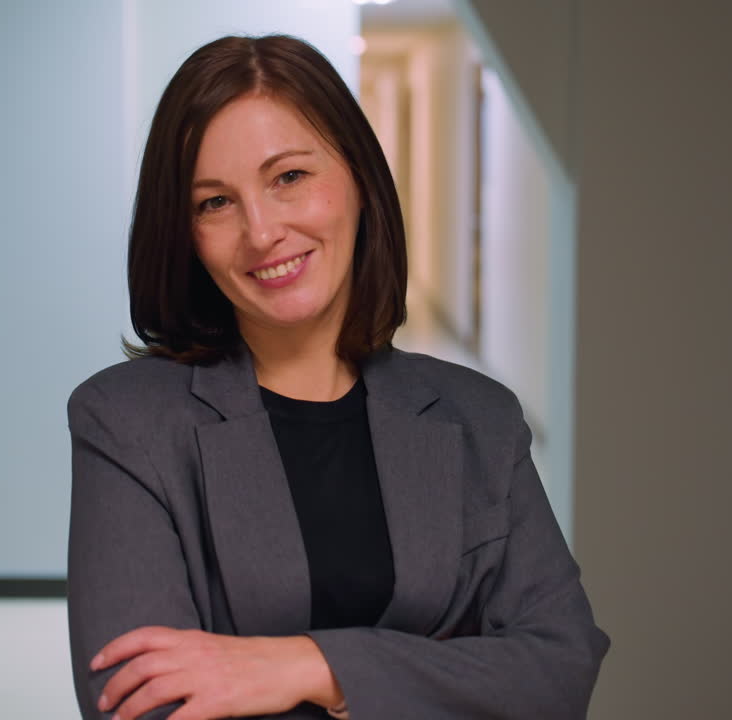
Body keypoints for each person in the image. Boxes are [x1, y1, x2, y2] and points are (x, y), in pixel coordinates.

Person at [66, 34, 609, 720]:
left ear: (358, 179)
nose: (262, 231)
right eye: (215, 203)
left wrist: (305, 665)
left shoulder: (480, 418)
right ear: (185, 234)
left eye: (289, 177)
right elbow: (140, 708)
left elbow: (558, 670)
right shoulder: (125, 422)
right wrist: (446, 674)